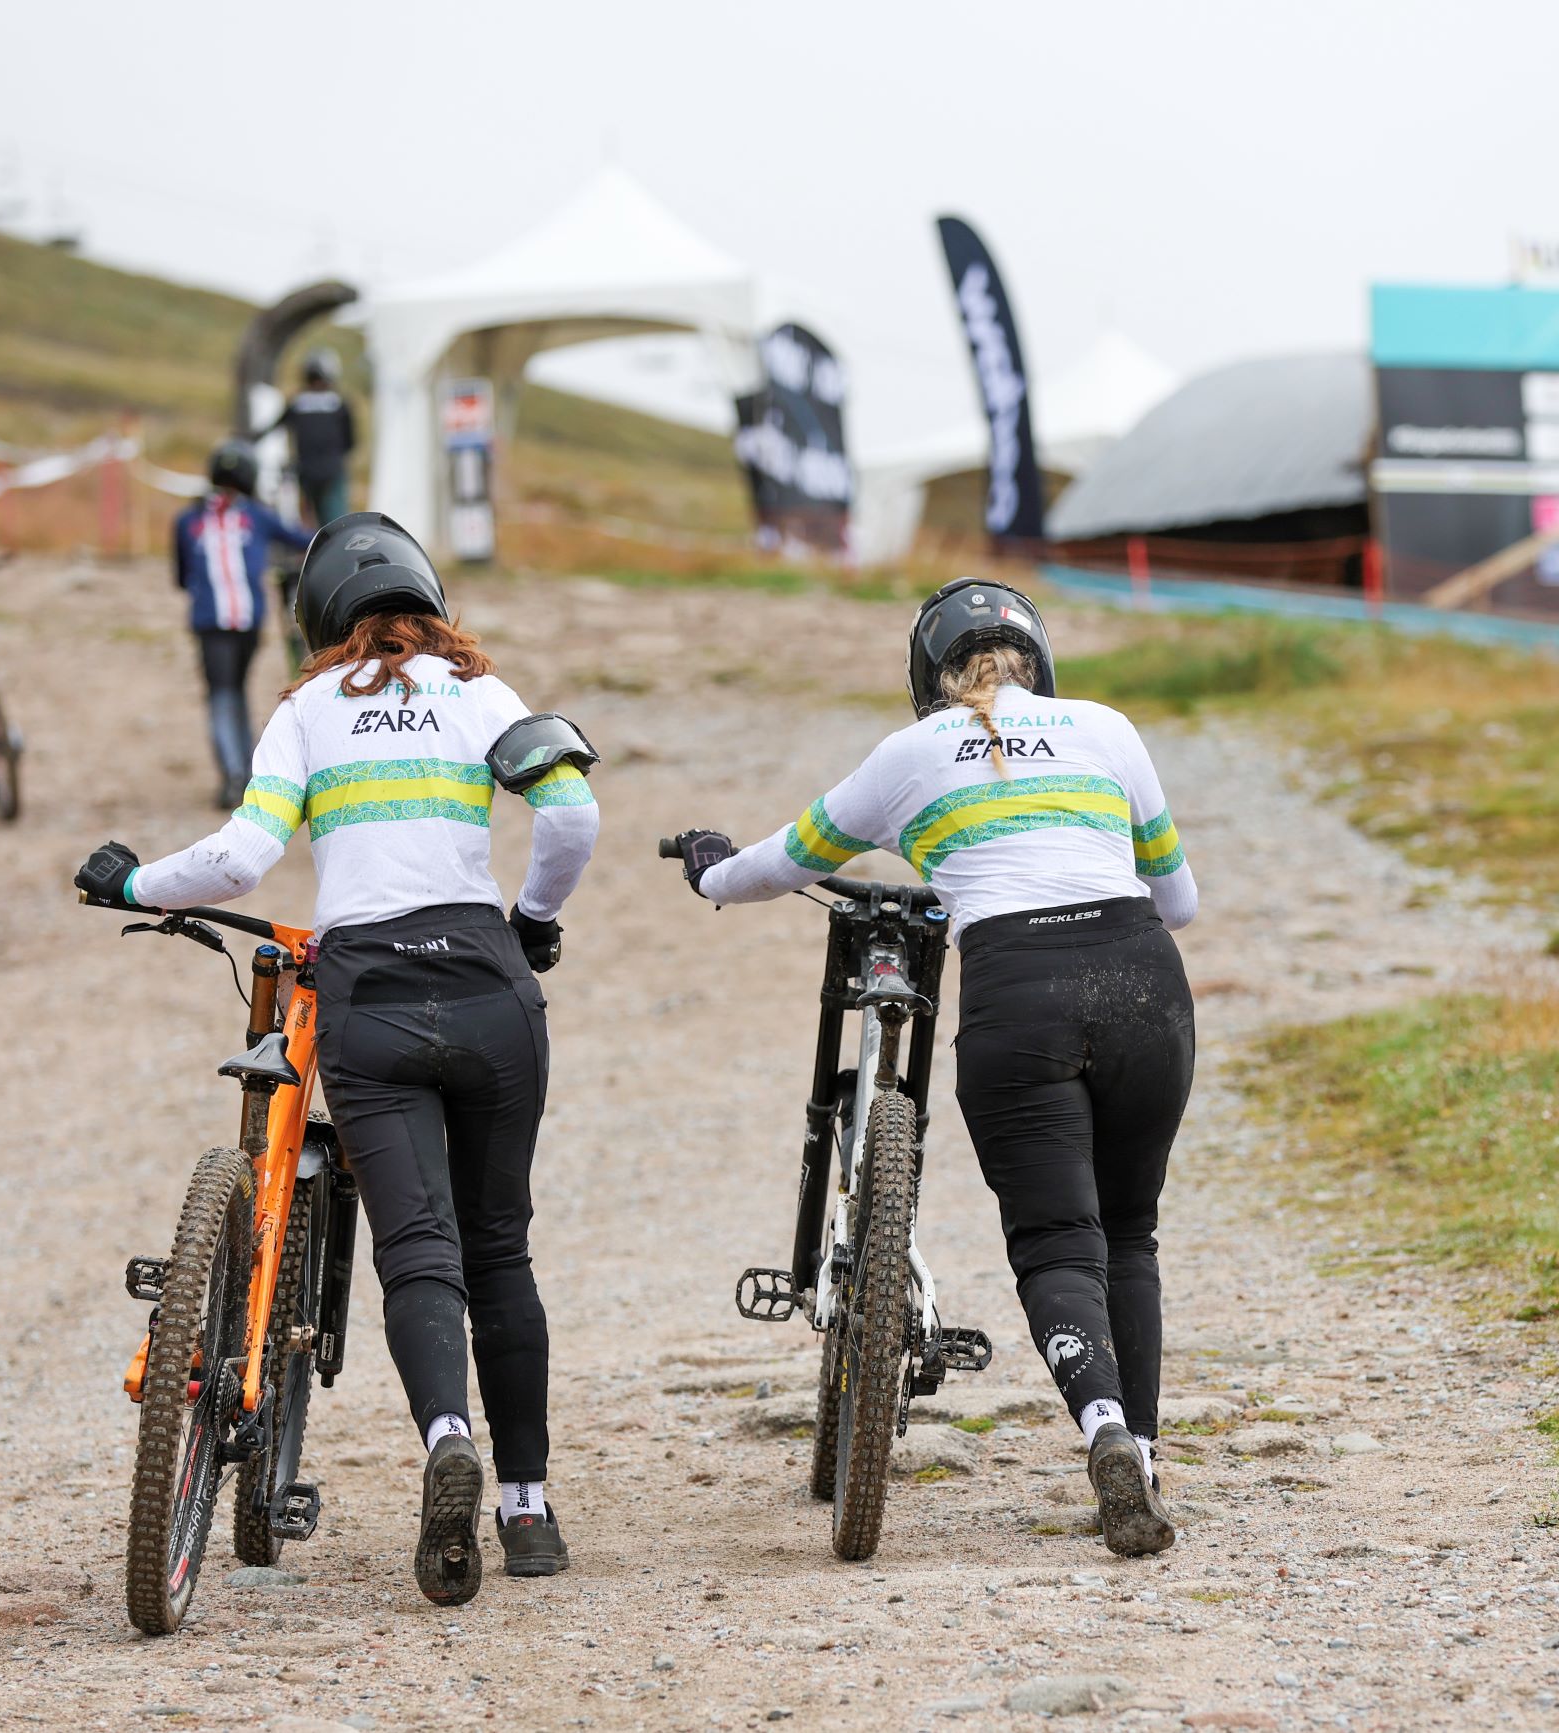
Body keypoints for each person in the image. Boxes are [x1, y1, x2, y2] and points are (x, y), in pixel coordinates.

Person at [74, 512, 600, 1607]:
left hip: (372, 1000)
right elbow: (572, 815)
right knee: (500, 1249)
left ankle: (443, 1433)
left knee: (418, 1247)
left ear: (316, 618)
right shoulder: (483, 696)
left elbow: (240, 856)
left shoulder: (308, 711)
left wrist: (128, 883)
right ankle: (526, 1506)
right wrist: (533, 917)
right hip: (488, 986)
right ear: (430, 598)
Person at [673, 577, 1199, 1557]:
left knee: (1055, 1240)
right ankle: (1145, 1456)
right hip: (1142, 976)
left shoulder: (908, 755)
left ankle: (1102, 1428)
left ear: (928, 674)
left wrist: (709, 867)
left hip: (1019, 992)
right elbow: (1180, 897)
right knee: (1129, 1230)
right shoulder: (1106, 728)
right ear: (1039, 659)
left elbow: (782, 860)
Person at [174, 440, 310, 808]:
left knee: (223, 693)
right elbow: (302, 538)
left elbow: (182, 576)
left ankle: (234, 773)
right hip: (247, 620)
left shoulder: (189, 520)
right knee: (236, 691)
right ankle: (246, 771)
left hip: (210, 622)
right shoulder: (255, 515)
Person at [263, 349, 359, 526]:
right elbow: (350, 441)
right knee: (336, 522)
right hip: (332, 470)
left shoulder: (298, 403)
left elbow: (276, 426)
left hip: (306, 471)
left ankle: (309, 549)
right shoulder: (339, 404)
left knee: (308, 522)